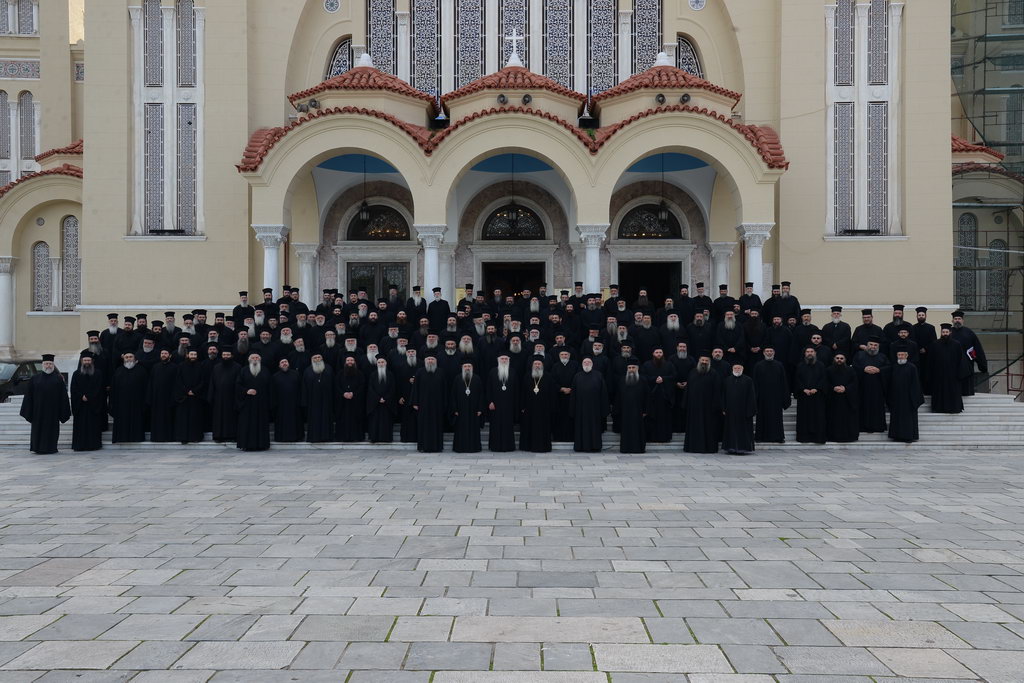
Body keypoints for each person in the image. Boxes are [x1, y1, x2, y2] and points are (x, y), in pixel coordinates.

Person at [20, 354, 71, 454]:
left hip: (53, 412)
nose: (48, 366)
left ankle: (51, 448)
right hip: (38, 412)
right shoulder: (35, 379)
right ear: (43, 365)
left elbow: (63, 397)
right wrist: (29, 411)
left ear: (53, 365)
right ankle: (37, 448)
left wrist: (63, 411)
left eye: (50, 364)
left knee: (52, 431)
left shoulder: (58, 379)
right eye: (46, 363)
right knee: (37, 430)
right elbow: (28, 396)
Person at [683, 353, 721, 454]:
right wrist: (686, 403)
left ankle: (708, 448)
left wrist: (715, 405)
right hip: (694, 407)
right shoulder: (692, 372)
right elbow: (688, 389)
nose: (704, 362)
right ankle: (693, 447)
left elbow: (717, 391)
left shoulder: (714, 373)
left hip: (708, 407)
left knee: (708, 428)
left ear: (709, 362)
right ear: (699, 361)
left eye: (706, 361)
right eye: (702, 360)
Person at [570, 357, 609, 453]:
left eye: (589, 362)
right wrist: (572, 409)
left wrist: (604, 409)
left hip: (595, 409)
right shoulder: (577, 376)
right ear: (582, 364)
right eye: (585, 362)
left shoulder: (598, 375)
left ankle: (595, 446)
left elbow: (603, 393)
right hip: (580, 409)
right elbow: (573, 394)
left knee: (594, 428)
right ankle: (580, 446)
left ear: (592, 364)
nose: (586, 363)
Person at [752, 347, 790, 443]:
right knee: (761, 417)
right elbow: (755, 382)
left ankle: (778, 437)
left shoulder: (779, 365)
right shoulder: (758, 365)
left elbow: (783, 382)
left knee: (777, 417)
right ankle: (760, 437)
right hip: (762, 397)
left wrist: (784, 397)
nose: (769, 353)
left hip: (776, 397)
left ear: (774, 352)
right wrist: (755, 397)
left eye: (771, 351)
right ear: (764, 353)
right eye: (767, 351)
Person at [109, 351, 148, 443]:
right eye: (126, 357)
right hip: (121, 403)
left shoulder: (142, 371)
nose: (129, 358)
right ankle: (121, 438)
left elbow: (146, 388)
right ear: (123, 359)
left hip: (137, 402)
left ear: (135, 359)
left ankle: (136, 438)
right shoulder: (118, 371)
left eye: (131, 357)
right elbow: (113, 389)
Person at [236, 352, 272, 451]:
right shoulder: (243, 370)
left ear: (260, 359)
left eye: (257, 357)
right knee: (247, 424)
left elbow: (270, 387)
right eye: (253, 357)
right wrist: (246, 391)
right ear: (249, 359)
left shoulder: (265, 370)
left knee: (261, 424)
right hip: (247, 403)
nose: (255, 359)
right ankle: (246, 444)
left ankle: (262, 444)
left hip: (262, 403)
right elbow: (238, 386)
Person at [927, 323, 966, 414]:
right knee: (939, 392)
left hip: (953, 375)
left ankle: (954, 408)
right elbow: (930, 361)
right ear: (941, 333)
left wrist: (959, 374)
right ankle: (938, 408)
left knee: (952, 391)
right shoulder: (935, 344)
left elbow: (961, 360)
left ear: (950, 332)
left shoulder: (956, 344)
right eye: (943, 332)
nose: (945, 334)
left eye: (946, 332)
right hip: (938, 374)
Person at [70, 353, 105, 452]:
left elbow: (99, 388)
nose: (87, 362)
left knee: (93, 426)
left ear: (92, 361)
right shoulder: (76, 374)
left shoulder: (98, 373)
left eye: (88, 360)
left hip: (93, 405)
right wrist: (81, 396)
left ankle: (93, 445)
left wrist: (89, 396)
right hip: (80, 405)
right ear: (81, 361)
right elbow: (73, 389)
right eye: (85, 360)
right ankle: (79, 445)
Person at [853, 338, 889, 433]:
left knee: (877, 407)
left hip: (878, 389)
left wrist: (879, 370)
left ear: (878, 347)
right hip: (862, 388)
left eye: (875, 345)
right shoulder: (859, 355)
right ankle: (863, 426)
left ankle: (877, 427)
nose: (873, 347)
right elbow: (854, 367)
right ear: (867, 345)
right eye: (871, 344)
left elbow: (888, 368)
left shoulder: (883, 356)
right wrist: (863, 369)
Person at [411, 354, 446, 452]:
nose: (430, 361)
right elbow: (415, 388)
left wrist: (444, 403)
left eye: (432, 359)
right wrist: (415, 402)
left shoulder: (441, 372)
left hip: (437, 406)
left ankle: (437, 447)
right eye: (428, 359)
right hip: (423, 405)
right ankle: (423, 447)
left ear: (435, 361)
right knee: (423, 426)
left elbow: (445, 389)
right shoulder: (420, 372)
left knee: (437, 426)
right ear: (425, 361)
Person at [887, 350, 924, 443]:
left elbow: (915, 384)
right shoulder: (894, 367)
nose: (900, 356)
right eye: (899, 354)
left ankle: (908, 436)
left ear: (907, 355)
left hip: (908, 398)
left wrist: (913, 398)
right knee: (896, 417)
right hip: (896, 397)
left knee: (908, 418)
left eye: (902, 355)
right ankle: (896, 436)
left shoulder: (912, 367)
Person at [641, 348, 676, 443]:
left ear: (663, 353)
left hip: (664, 398)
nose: (659, 354)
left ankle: (664, 437)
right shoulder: (647, 365)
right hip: (652, 397)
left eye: (660, 352)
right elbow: (643, 377)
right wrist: (654, 379)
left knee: (664, 418)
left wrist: (663, 379)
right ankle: (650, 437)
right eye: (657, 352)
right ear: (653, 353)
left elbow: (673, 377)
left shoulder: (669, 365)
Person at [520, 358, 555, 453]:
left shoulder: (548, 376)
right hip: (529, 408)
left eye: (539, 364)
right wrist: (522, 407)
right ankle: (528, 446)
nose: (537, 366)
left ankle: (544, 447)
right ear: (532, 366)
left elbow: (552, 393)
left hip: (544, 409)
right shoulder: (527, 376)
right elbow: (523, 393)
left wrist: (551, 407)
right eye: (535, 364)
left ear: (542, 366)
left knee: (543, 428)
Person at [721, 362, 756, 455]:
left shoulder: (748, 380)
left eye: (739, 368)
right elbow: (723, 395)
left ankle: (743, 448)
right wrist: (723, 408)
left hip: (744, 411)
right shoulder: (727, 380)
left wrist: (750, 410)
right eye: (735, 368)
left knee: (743, 430)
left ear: (742, 369)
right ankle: (730, 447)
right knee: (731, 429)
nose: (737, 370)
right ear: (732, 369)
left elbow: (751, 396)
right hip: (730, 411)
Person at [793, 346, 827, 444]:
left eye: (811, 351)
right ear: (805, 354)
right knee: (804, 418)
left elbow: (823, 378)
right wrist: (803, 389)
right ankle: (804, 438)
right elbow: (797, 379)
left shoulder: (821, 365)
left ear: (815, 353)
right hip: (804, 396)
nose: (809, 353)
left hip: (818, 396)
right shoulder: (800, 365)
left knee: (818, 417)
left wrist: (817, 388)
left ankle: (818, 438)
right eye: (807, 352)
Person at [950, 310, 987, 396]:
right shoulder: (949, 332)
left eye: (959, 319)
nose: (957, 320)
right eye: (955, 319)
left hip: (967, 364)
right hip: (952, 363)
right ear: (952, 321)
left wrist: (982, 365)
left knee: (966, 386)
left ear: (963, 320)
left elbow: (977, 349)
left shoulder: (969, 333)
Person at [614, 361, 648, 454]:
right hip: (625, 411)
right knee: (626, 430)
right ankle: (625, 448)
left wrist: (645, 410)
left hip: (639, 410)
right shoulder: (622, 380)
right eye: (629, 368)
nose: (631, 370)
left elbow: (647, 396)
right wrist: (617, 410)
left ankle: (639, 448)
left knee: (638, 430)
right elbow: (618, 396)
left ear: (637, 369)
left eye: (633, 368)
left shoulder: (643, 380)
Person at [207, 347, 240, 443]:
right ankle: (218, 436)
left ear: (231, 356)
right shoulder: (216, 367)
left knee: (231, 417)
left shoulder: (237, 367)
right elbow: (212, 382)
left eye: (228, 355)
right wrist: (211, 396)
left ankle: (231, 435)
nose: (225, 357)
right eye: (224, 355)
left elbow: (238, 383)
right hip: (218, 398)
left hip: (231, 397)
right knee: (219, 418)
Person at [174, 350, 207, 444]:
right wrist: (186, 391)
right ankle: (183, 437)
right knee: (183, 418)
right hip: (184, 397)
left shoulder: (201, 366)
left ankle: (195, 437)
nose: (193, 356)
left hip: (196, 396)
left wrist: (194, 391)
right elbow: (178, 380)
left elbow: (203, 381)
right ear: (187, 355)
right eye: (191, 354)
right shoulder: (181, 365)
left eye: (195, 354)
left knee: (195, 418)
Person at [486, 354, 518, 452]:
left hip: (509, 404)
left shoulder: (513, 372)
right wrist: (490, 401)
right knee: (495, 425)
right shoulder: (493, 371)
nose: (504, 360)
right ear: (498, 360)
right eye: (502, 359)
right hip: (495, 404)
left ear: (508, 360)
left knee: (508, 425)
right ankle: (495, 446)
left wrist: (516, 404)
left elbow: (517, 390)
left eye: (505, 359)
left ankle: (508, 446)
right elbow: (488, 388)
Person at [825, 353, 859, 442]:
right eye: (837, 358)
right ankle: (833, 436)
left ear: (845, 360)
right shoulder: (828, 370)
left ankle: (848, 437)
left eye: (841, 358)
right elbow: (825, 383)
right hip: (833, 400)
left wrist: (845, 388)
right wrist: (833, 388)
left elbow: (854, 383)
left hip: (847, 400)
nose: (839, 360)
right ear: (834, 359)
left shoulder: (850, 370)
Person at [451, 362, 483, 452]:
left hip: (474, 410)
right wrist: (455, 409)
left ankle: (474, 447)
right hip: (461, 410)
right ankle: (460, 447)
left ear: (472, 367)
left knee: (473, 429)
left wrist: (480, 409)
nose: (467, 368)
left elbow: (481, 395)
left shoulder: (477, 378)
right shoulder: (457, 378)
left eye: (469, 366)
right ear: (462, 367)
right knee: (461, 428)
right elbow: (453, 395)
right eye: (465, 366)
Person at [301, 353, 334, 443]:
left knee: (326, 418)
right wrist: (305, 401)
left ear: (322, 358)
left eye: (319, 357)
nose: (317, 359)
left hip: (326, 400)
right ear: (312, 359)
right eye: (315, 357)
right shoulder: (307, 371)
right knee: (314, 419)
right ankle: (314, 437)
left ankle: (326, 437)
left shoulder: (328, 369)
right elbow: (304, 387)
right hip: (313, 401)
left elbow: (333, 385)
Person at [147, 349, 178, 442]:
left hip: (169, 398)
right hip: (157, 399)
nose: (164, 355)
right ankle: (157, 437)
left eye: (166, 353)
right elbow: (151, 383)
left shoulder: (175, 367)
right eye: (162, 353)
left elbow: (177, 383)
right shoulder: (155, 367)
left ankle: (169, 437)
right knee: (157, 419)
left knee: (169, 418)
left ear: (170, 355)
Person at [365, 357, 397, 443]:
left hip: (387, 403)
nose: (381, 364)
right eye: (379, 362)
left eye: (382, 362)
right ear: (377, 364)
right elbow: (370, 389)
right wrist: (378, 398)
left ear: (386, 363)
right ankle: (374, 438)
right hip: (375, 403)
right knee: (375, 421)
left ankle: (386, 438)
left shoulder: (390, 374)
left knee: (386, 421)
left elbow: (392, 389)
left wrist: (385, 398)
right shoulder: (373, 375)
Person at [335, 355, 366, 442]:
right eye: (348, 360)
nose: (350, 362)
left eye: (352, 360)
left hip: (356, 402)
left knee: (355, 420)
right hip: (343, 402)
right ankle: (342, 437)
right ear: (345, 362)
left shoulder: (360, 374)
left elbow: (362, 386)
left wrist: (353, 393)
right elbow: (336, 386)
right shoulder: (340, 374)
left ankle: (356, 437)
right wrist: (343, 393)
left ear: (354, 362)